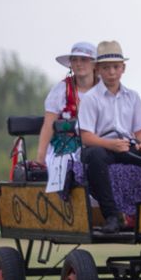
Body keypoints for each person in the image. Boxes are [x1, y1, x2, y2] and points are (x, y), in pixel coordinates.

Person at [78, 41, 141, 234]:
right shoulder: (90, 98)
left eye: (115, 67)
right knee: (96, 157)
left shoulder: (132, 96)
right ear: (98, 70)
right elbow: (86, 137)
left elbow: (140, 130)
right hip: (101, 145)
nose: (112, 72)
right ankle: (112, 216)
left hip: (125, 145)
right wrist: (110, 144)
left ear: (123, 68)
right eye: (106, 68)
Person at [36, 42, 99, 193]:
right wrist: (40, 157)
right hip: (66, 146)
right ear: (70, 64)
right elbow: (48, 125)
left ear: (94, 65)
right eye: (75, 60)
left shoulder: (104, 89)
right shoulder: (61, 90)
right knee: (67, 163)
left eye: (84, 60)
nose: (79, 64)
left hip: (98, 143)